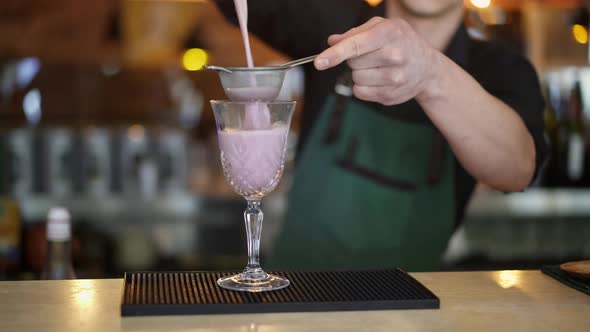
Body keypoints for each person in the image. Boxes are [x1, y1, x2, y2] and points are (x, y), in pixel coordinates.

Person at [213, 0, 547, 271]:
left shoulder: (502, 69)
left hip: (411, 310)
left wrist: (432, 73)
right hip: (296, 297)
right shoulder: (335, 23)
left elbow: (517, 169)